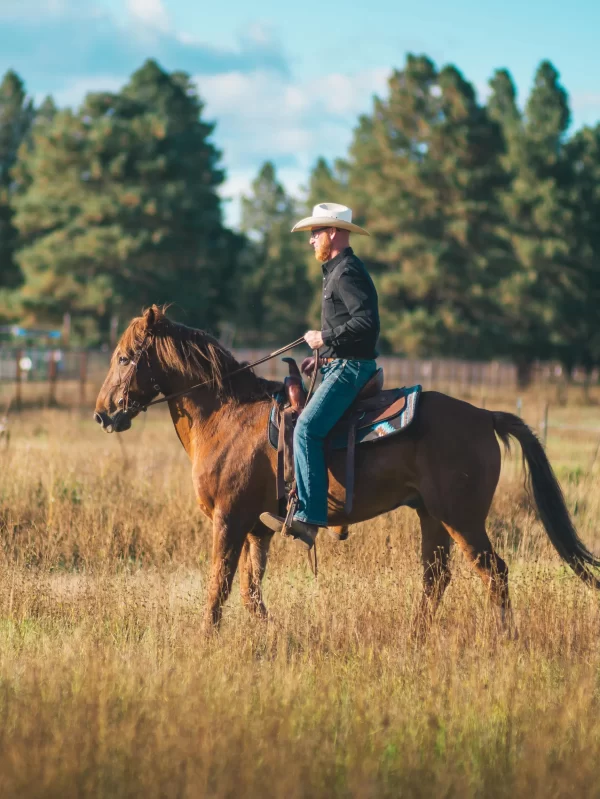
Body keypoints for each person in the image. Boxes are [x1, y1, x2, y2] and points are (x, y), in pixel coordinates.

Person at [261, 202, 380, 549]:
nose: (311, 240)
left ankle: (311, 518)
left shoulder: (346, 273)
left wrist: (325, 338)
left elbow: (366, 323)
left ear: (332, 233)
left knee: (307, 430)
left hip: (351, 369)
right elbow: (351, 327)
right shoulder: (335, 270)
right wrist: (324, 356)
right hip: (338, 363)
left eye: (315, 233)